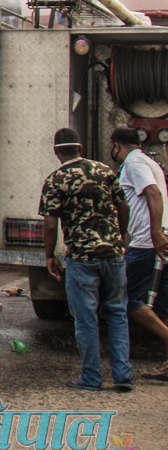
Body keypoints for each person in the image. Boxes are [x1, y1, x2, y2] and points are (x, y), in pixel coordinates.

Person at [40, 127, 132, 391]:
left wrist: (49, 256)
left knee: (86, 318)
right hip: (113, 255)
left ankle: (91, 377)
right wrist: (120, 236)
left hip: (82, 258)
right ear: (80, 147)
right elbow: (123, 206)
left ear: (57, 151)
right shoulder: (105, 171)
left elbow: (49, 224)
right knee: (117, 313)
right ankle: (123, 375)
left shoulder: (56, 179)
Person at [109, 127, 168, 381]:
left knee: (129, 299)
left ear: (116, 146)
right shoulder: (147, 161)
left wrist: (154, 233)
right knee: (163, 306)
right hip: (149, 240)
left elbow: (152, 193)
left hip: (146, 243)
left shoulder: (134, 163)